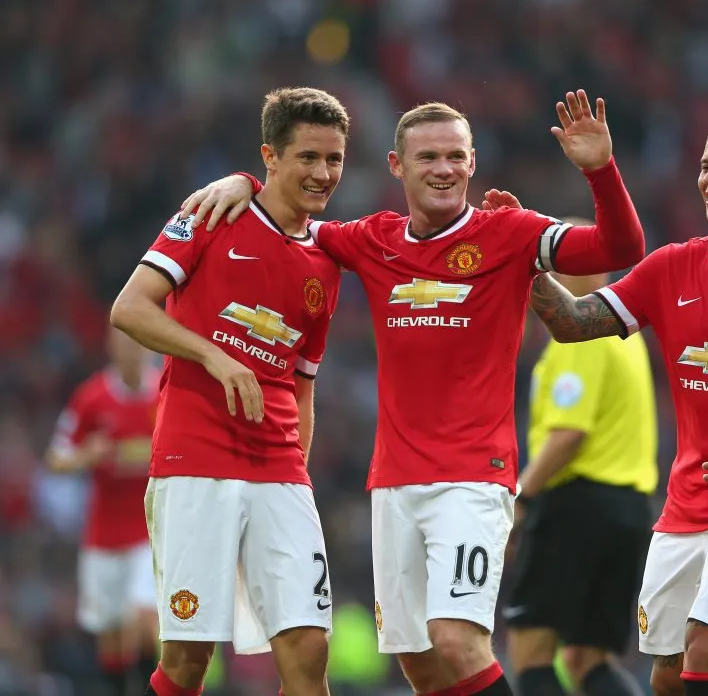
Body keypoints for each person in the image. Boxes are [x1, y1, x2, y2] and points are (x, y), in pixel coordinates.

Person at [180, 90, 646, 695]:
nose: (443, 168)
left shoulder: (509, 234)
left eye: (455, 155)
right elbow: (290, 219)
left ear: (473, 163)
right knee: (419, 660)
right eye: (427, 157)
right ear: (398, 166)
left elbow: (622, 248)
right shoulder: (371, 240)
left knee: (457, 638)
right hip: (393, 482)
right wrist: (247, 179)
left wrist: (599, 170)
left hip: (472, 477)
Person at [521, 106, 708, 696]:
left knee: (707, 644)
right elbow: (572, 321)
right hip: (684, 504)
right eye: (704, 166)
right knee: (667, 673)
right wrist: (525, 265)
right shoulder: (673, 267)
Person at [109, 86, 347, 696]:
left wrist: (300, 471)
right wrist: (217, 357)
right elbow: (130, 309)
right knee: (188, 656)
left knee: (308, 646)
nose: (323, 174)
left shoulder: (325, 260)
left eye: (334, 159)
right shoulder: (211, 215)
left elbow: (302, 385)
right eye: (308, 158)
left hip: (279, 470)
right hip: (195, 460)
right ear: (270, 157)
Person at [503, 258, 657, 696]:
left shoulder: (578, 337)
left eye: (550, 267)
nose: (540, 279)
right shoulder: (627, 339)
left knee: (530, 650)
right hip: (628, 509)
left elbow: (569, 433)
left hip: (576, 505)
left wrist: (523, 497)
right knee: (587, 658)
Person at [46, 327, 161, 696]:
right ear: (110, 347)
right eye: (123, 342)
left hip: (151, 529)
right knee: (112, 636)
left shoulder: (165, 391)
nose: (131, 350)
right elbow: (56, 459)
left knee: (144, 622)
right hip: (103, 534)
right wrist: (85, 456)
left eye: (137, 342)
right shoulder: (91, 398)